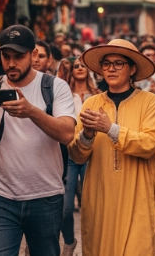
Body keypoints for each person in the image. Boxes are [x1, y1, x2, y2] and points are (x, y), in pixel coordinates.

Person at [0, 25, 76, 256]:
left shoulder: (54, 87)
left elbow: (67, 133)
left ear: (34, 55)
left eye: (18, 57)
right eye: (6, 56)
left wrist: (32, 111)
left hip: (46, 197)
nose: (11, 63)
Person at [67, 39, 155, 256]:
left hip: (136, 197)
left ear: (132, 69)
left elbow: (149, 143)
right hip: (100, 199)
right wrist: (88, 135)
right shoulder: (91, 104)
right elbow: (77, 155)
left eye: (118, 63)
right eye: (106, 63)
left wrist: (110, 129)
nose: (111, 68)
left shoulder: (149, 102)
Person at [59, 57, 99, 255]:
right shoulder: (65, 94)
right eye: (76, 66)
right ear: (72, 71)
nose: (80, 68)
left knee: (91, 207)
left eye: (83, 65)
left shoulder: (98, 95)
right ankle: (69, 241)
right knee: (65, 207)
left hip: (91, 154)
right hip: (69, 155)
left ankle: (92, 247)